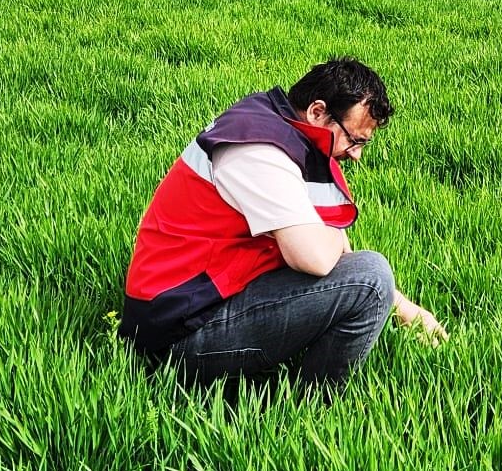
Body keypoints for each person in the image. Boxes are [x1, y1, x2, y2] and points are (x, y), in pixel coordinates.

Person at [120, 58, 446, 386]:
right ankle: (318, 406)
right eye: (354, 139)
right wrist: (332, 235)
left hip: (194, 304)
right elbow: (316, 258)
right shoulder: (260, 151)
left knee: (363, 273)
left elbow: (334, 252)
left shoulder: (284, 130)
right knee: (371, 278)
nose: (356, 154)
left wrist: (406, 309)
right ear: (317, 112)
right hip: (178, 336)